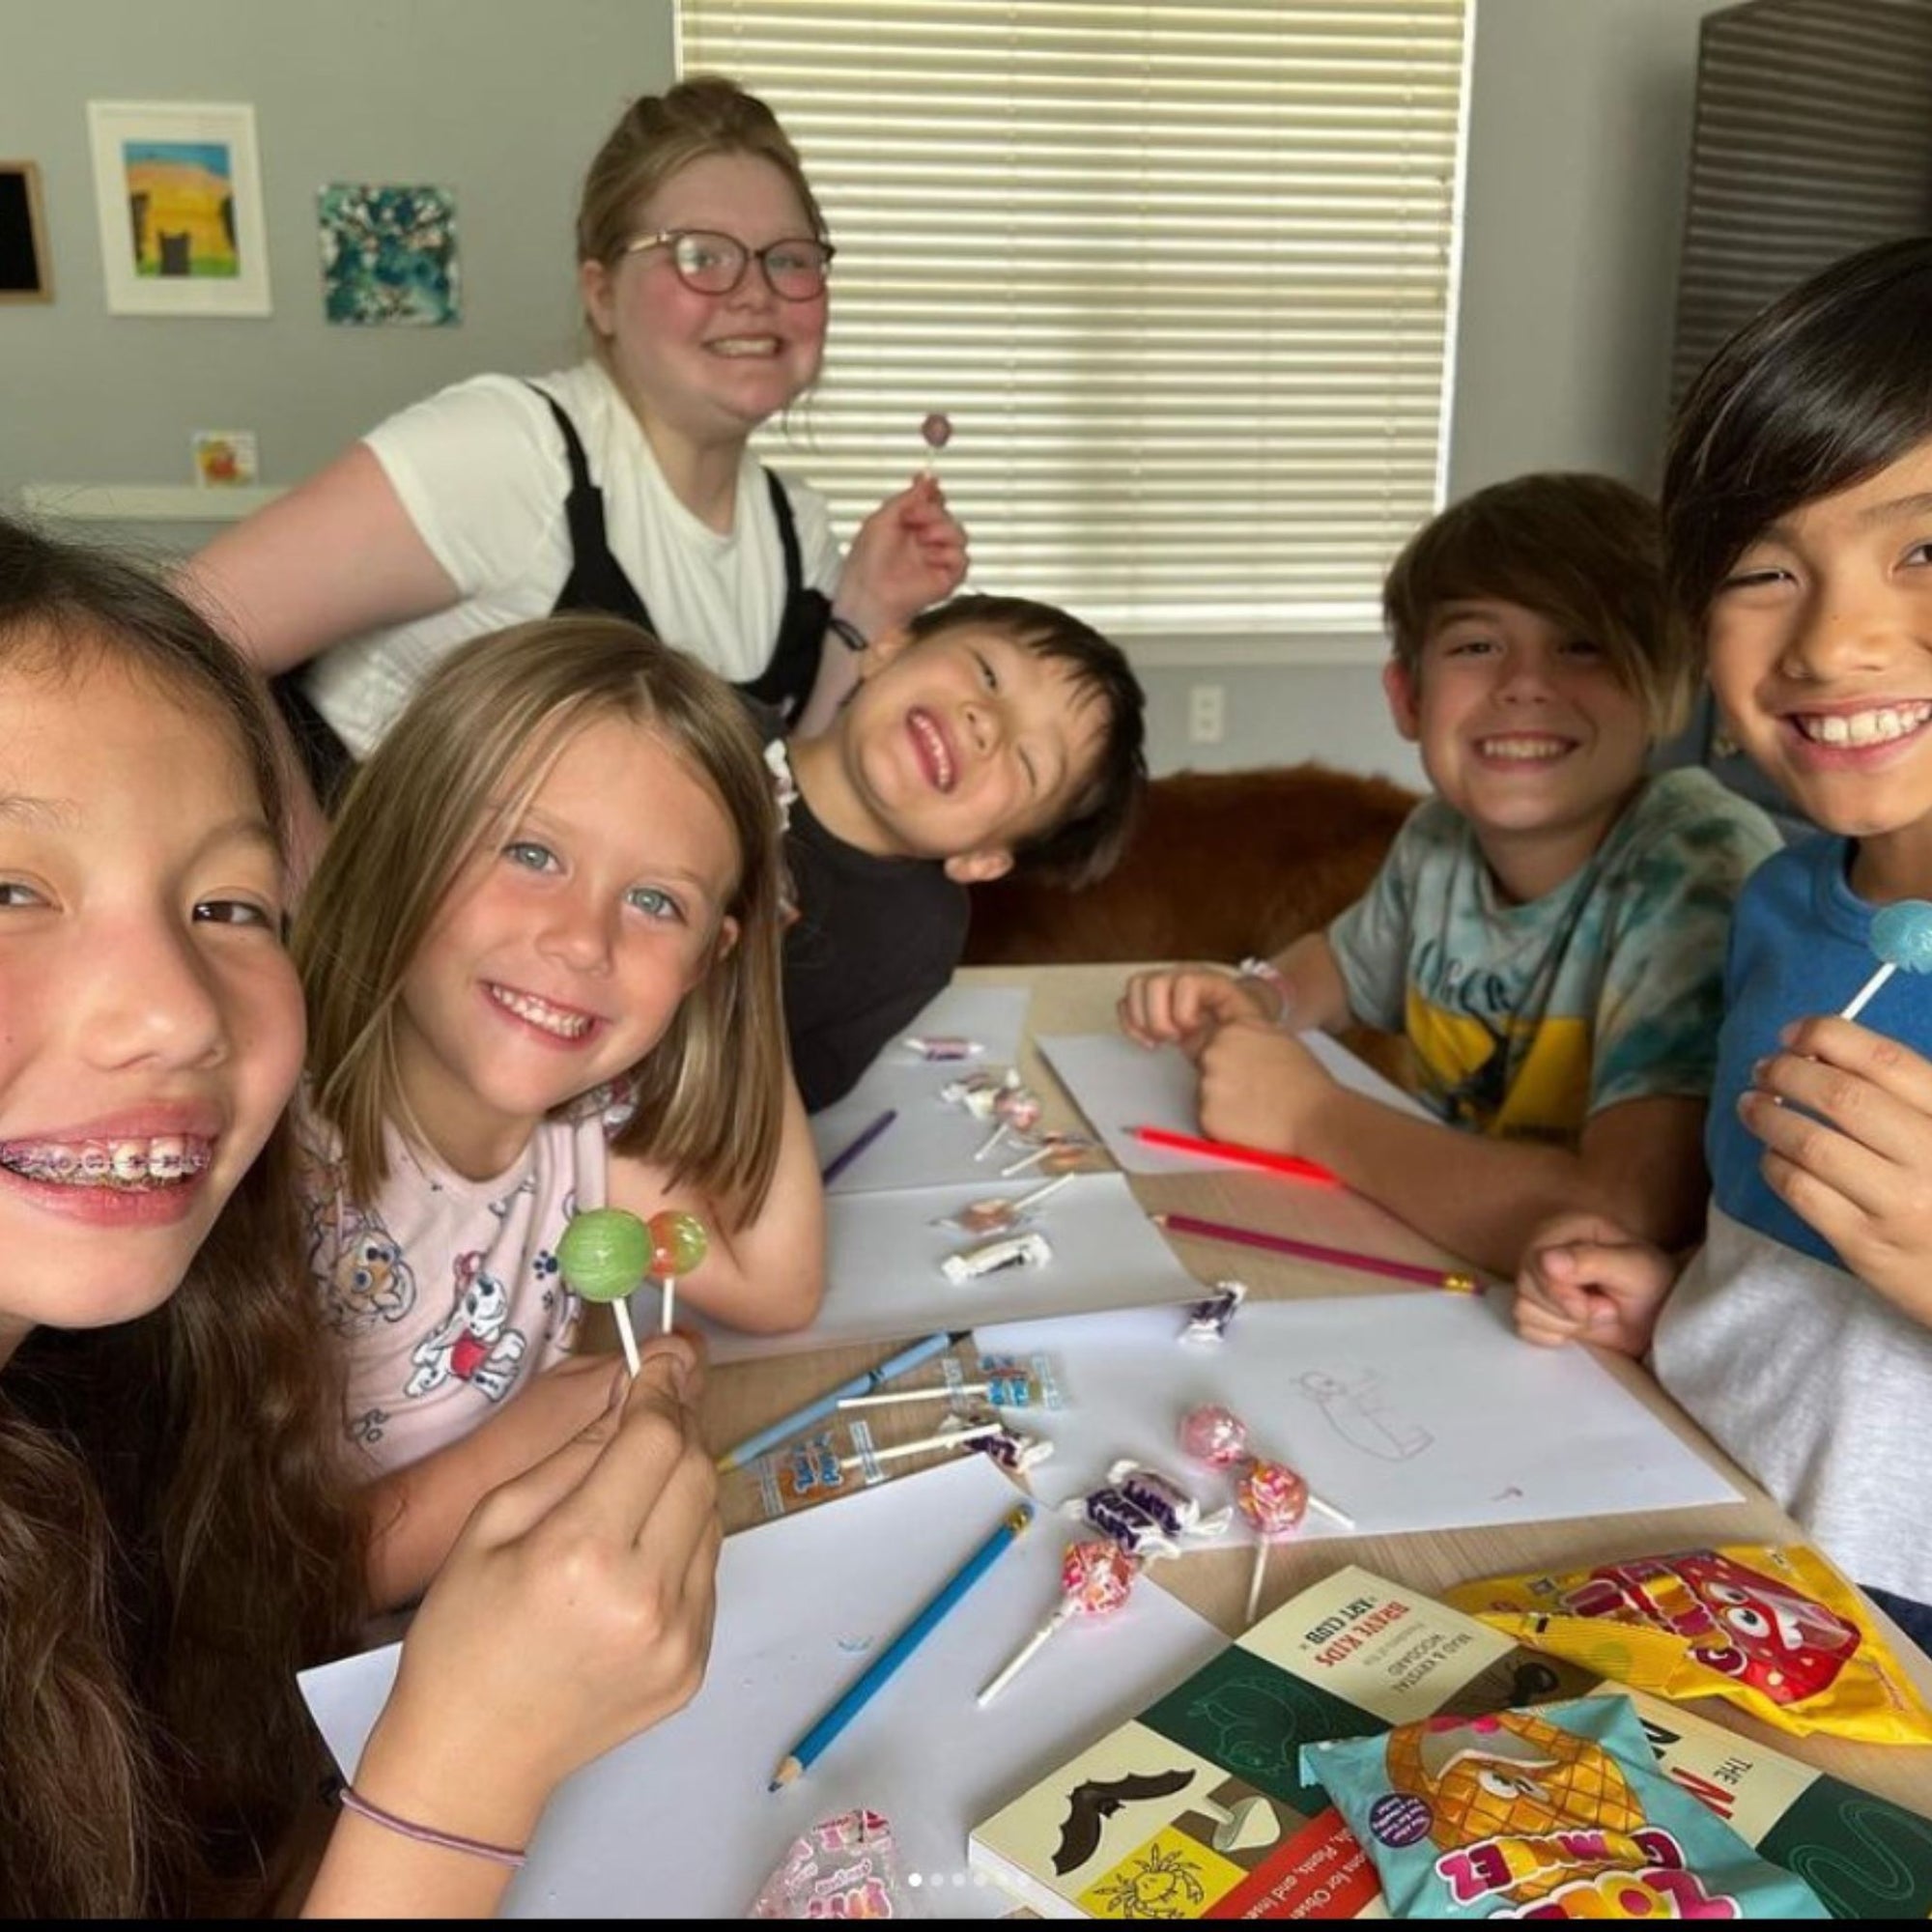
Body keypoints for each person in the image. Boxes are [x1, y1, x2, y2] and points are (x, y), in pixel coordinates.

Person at [0, 516, 719, 1918]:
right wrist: (461, 1772)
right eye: (10, 887)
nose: (172, 1011)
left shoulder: (116, 1388)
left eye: (227, 903)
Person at [179, 74, 967, 837]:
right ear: (601, 293)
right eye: (700, 254)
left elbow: (785, 796)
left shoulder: (798, 530)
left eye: (789, 258)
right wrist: (313, 887)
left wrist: (867, 603)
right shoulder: (515, 456)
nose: (755, 292)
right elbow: (184, 632)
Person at [1514, 238, 1932, 1652]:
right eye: (1764, 570)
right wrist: (1689, 1303)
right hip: (1716, 1538)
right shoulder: (1775, 900)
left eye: (1925, 549)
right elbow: (1791, 1282)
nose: (1833, 643)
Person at [1118, 472, 1783, 1279]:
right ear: (1407, 696)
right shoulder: (1440, 838)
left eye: (1583, 644)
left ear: (1669, 682)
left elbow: (1623, 1212)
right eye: (1476, 646)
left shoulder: (1693, 862)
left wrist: (1311, 1117)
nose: (1523, 684)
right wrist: (1262, 996)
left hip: (1595, 1330)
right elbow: (1343, 962)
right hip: (1447, 1261)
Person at [293, 611, 822, 1608]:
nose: (582, 939)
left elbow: (778, 1284)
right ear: (404, 835)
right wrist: (522, 1442)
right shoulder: (268, 1166)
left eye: (657, 901)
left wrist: (752, 968)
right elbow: (244, 1595)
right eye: (531, 852)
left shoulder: (585, 1121)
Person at [773, 591, 1148, 1112]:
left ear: (984, 858)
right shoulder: (690, 733)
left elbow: (781, 1105)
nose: (987, 722)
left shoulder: (920, 936)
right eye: (989, 675)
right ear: (889, 647)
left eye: (1027, 761)